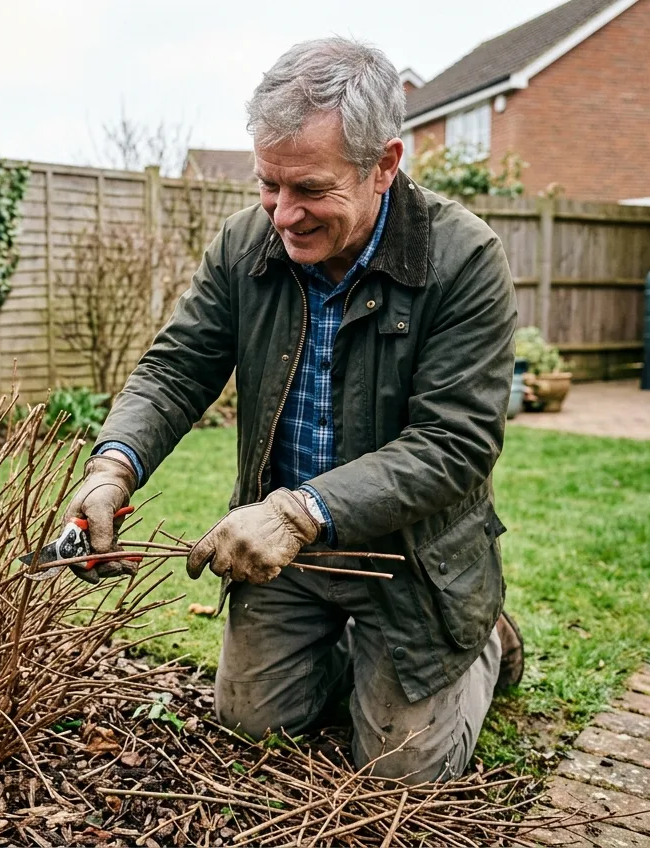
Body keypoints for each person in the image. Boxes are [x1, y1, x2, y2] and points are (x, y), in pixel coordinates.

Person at [62, 36, 524, 784]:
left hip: (408, 561)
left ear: (383, 164)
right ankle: (350, 653)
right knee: (250, 724)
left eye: (308, 188)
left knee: (401, 774)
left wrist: (296, 512)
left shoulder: (462, 259)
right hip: (288, 561)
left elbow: (454, 444)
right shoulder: (246, 245)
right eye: (268, 185)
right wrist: (111, 470)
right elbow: (176, 369)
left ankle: (484, 642)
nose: (283, 214)